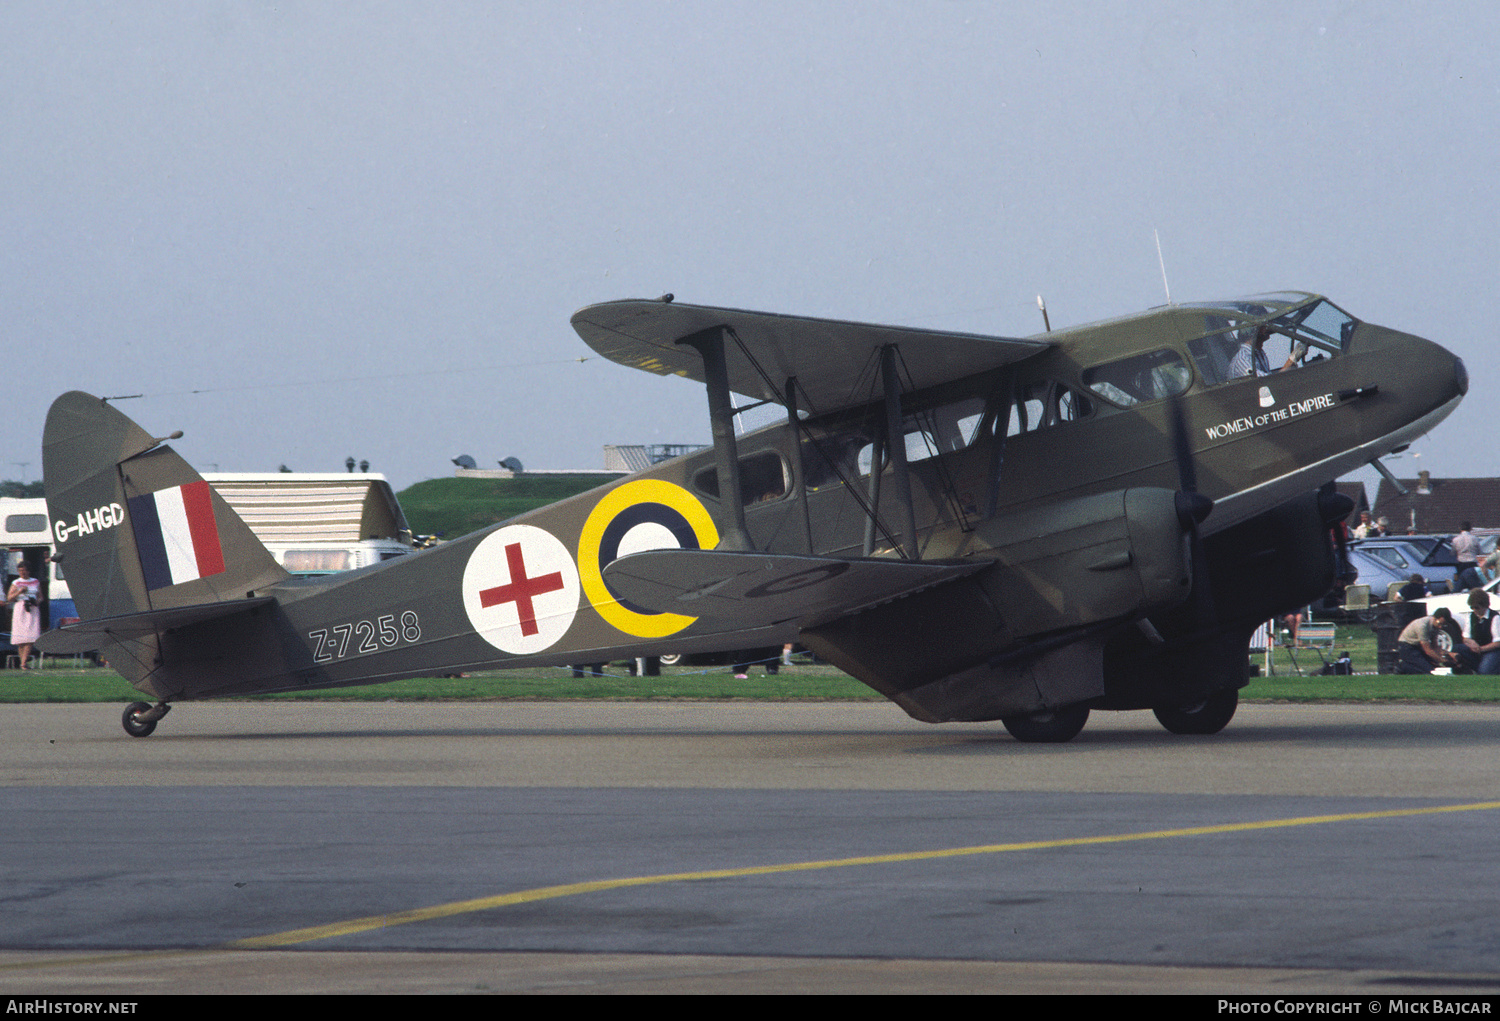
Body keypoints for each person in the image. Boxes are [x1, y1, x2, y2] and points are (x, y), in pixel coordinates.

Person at [1396, 606, 1459, 674]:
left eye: (1442, 624)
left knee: (1434, 666)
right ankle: (1402, 666)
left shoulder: (1435, 626)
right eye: (1439, 623)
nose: (1440, 627)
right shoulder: (1422, 626)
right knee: (1429, 670)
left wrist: (1444, 658)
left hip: (1417, 647)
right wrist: (1443, 661)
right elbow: (1428, 650)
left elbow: (1435, 646)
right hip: (1406, 646)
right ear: (1434, 618)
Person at [1229, 324, 1306, 378]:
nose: (1266, 329)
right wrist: (1292, 359)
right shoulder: (1243, 359)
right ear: (1253, 334)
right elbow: (1266, 381)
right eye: (1262, 328)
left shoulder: (1258, 353)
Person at [6, 561, 42, 670]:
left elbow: (41, 597)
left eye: (24, 570)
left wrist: (36, 602)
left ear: (29, 571)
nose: (23, 573)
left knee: (31, 636)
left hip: (32, 608)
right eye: (20, 571)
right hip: (20, 608)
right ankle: (23, 664)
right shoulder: (16, 582)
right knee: (21, 639)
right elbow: (9, 598)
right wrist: (19, 592)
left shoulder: (35, 582)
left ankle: (23, 663)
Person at [1456, 589, 1500, 675]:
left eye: (1476, 607)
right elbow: (1465, 637)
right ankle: (1476, 667)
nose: (1474, 610)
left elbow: (1497, 643)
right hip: (1476, 649)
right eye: (1472, 607)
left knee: (1484, 671)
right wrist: (1472, 643)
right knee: (1458, 648)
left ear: (1485, 606)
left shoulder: (1495, 618)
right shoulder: (1471, 616)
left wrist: (1481, 649)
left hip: (1491, 650)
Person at [1452, 522, 1481, 590]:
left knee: (1461, 585)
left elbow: (1453, 553)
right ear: (1470, 529)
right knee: (1474, 584)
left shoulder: (1455, 539)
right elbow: (1479, 551)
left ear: (1460, 529)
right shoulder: (1474, 539)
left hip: (1461, 564)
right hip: (1472, 564)